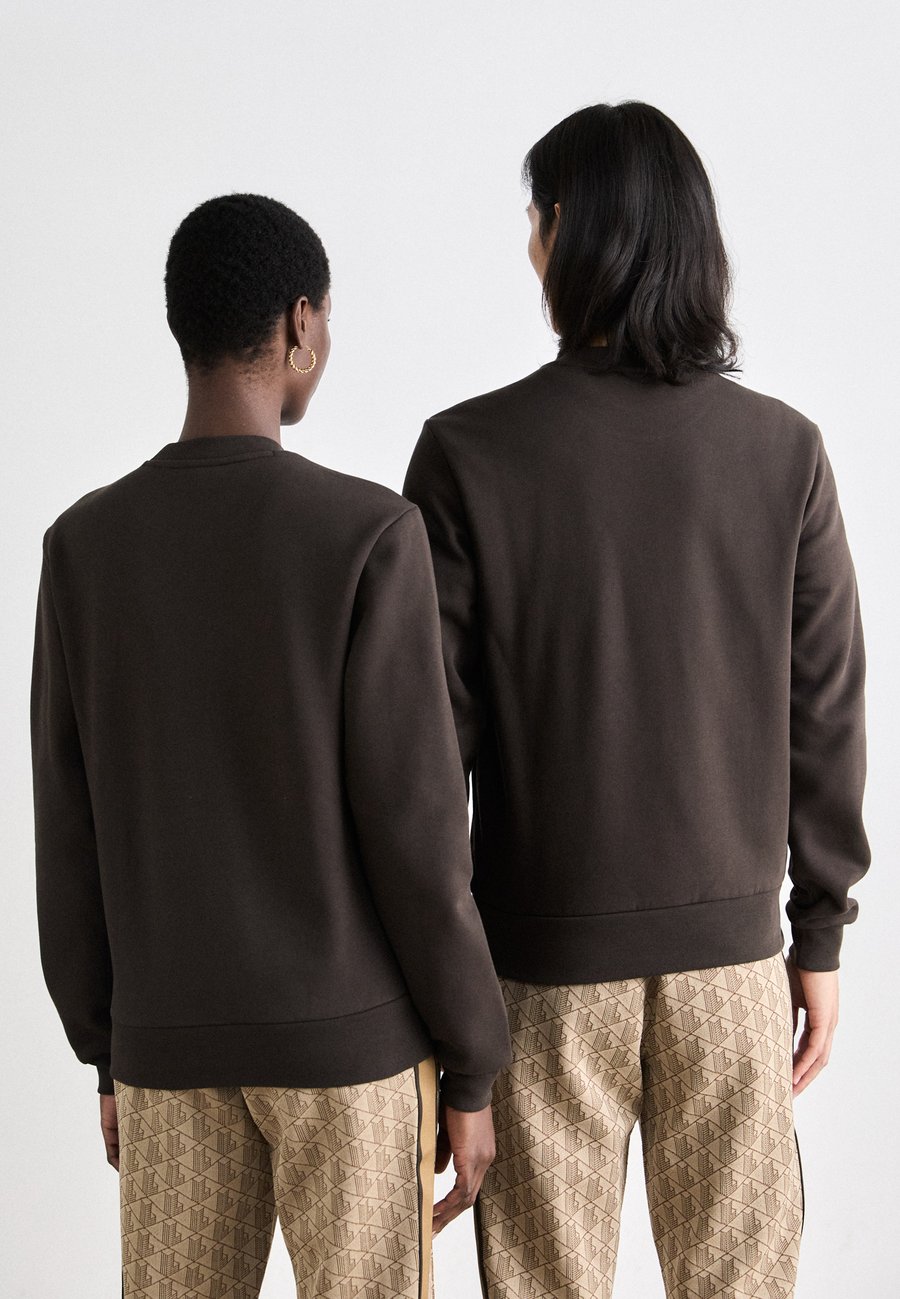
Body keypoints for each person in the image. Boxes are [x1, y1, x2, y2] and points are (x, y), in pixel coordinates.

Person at [402, 101, 870, 1299]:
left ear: (568, 231)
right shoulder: (784, 451)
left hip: (540, 974)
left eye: (535, 219)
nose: (529, 245)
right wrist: (818, 931)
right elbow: (826, 711)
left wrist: (447, 1012)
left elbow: (422, 760)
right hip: (731, 968)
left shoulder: (467, 454)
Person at [30, 192, 512, 1299]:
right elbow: (418, 841)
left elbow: (69, 826)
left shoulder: (83, 549)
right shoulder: (367, 536)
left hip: (167, 1050)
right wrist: (473, 1063)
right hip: (352, 1059)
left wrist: (108, 1048)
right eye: (324, 320)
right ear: (300, 322)